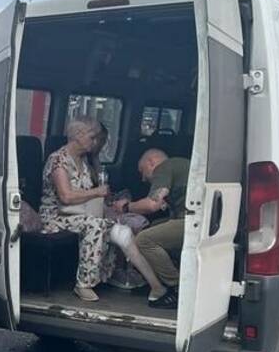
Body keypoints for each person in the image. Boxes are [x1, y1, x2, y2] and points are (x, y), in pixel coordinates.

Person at [40, 117, 114, 302]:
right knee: (95, 226)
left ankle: (101, 275)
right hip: (56, 216)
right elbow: (65, 196)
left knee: (109, 224)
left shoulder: (83, 161)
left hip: (78, 212)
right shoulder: (58, 160)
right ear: (78, 135)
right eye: (92, 137)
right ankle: (84, 284)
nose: (95, 142)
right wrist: (97, 191)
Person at [114, 148, 189, 309]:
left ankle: (176, 287)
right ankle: (157, 280)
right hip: (193, 219)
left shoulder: (164, 167)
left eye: (142, 171)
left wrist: (126, 207)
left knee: (144, 240)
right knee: (151, 229)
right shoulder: (180, 166)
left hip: (192, 220)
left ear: (152, 162)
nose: (142, 178)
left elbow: (152, 204)